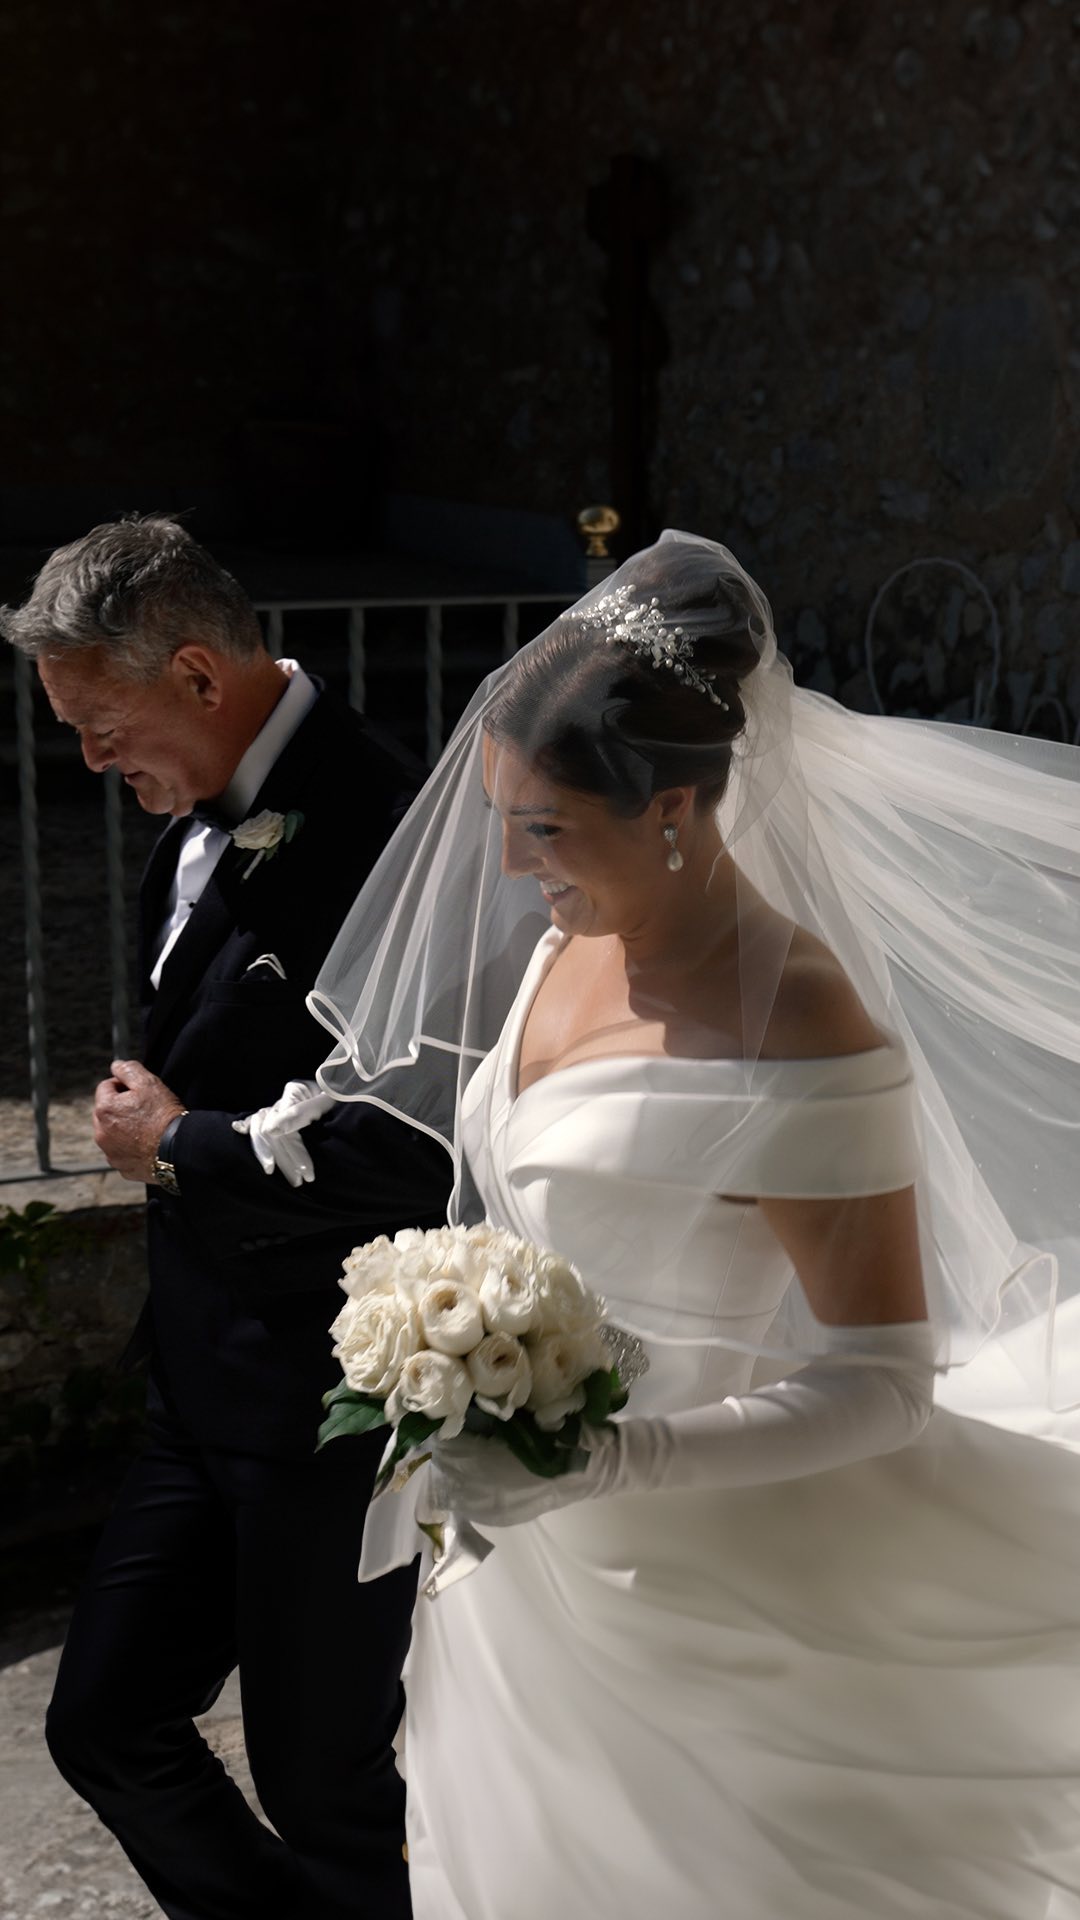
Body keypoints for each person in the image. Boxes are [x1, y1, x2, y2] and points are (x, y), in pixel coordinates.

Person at [273, 531, 1080, 1917]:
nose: (519, 870)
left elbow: (883, 1383)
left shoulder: (801, 1018)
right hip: (529, 1598)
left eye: (549, 831)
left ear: (674, 813)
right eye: (504, 823)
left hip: (731, 1593)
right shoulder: (563, 946)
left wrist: (612, 1460)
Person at [0, 514, 450, 1920]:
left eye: (99, 722)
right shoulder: (189, 816)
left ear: (199, 673)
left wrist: (177, 1145)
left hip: (331, 1399)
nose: (85, 759)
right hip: (195, 1381)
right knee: (105, 1722)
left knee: (326, 1789)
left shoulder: (389, 829)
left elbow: (419, 1146)